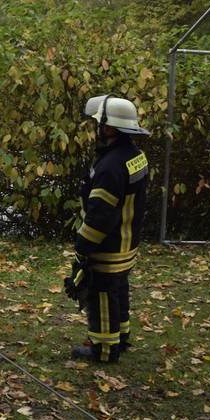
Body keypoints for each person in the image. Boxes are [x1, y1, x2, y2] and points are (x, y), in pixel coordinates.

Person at [66, 94, 150, 364]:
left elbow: (101, 215)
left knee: (101, 293)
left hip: (109, 245)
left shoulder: (110, 167)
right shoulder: (135, 156)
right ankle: (120, 337)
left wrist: (83, 246)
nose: (96, 128)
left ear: (109, 127)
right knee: (118, 289)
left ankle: (103, 350)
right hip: (127, 242)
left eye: (98, 124)